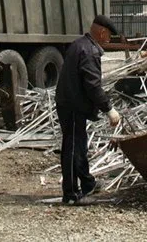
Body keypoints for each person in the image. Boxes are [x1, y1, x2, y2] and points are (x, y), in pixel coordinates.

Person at [55, 15, 122, 205]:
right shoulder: (90, 51)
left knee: (78, 145)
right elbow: (92, 85)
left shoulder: (78, 44)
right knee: (73, 148)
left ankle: (87, 183)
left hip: (69, 102)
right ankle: (70, 194)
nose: (108, 40)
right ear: (101, 32)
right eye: (108, 36)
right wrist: (109, 109)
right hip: (73, 106)